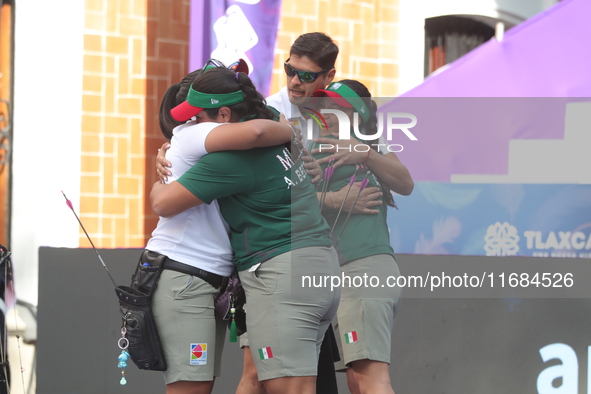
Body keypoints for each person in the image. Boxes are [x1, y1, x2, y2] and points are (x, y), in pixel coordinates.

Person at [151, 67, 341, 394]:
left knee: (287, 388)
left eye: (197, 118)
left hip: (281, 273)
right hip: (321, 269)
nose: (190, 126)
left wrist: (158, 184)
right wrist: (287, 131)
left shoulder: (232, 160)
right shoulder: (281, 145)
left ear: (224, 115)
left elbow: (164, 203)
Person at [310, 79, 414, 394]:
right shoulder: (318, 145)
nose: (324, 110)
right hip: (339, 275)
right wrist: (333, 200)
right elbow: (286, 200)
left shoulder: (367, 146)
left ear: (354, 114)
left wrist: (364, 154)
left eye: (334, 105)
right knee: (357, 378)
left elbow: (406, 183)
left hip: (362, 269)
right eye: (323, 104)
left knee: (371, 378)